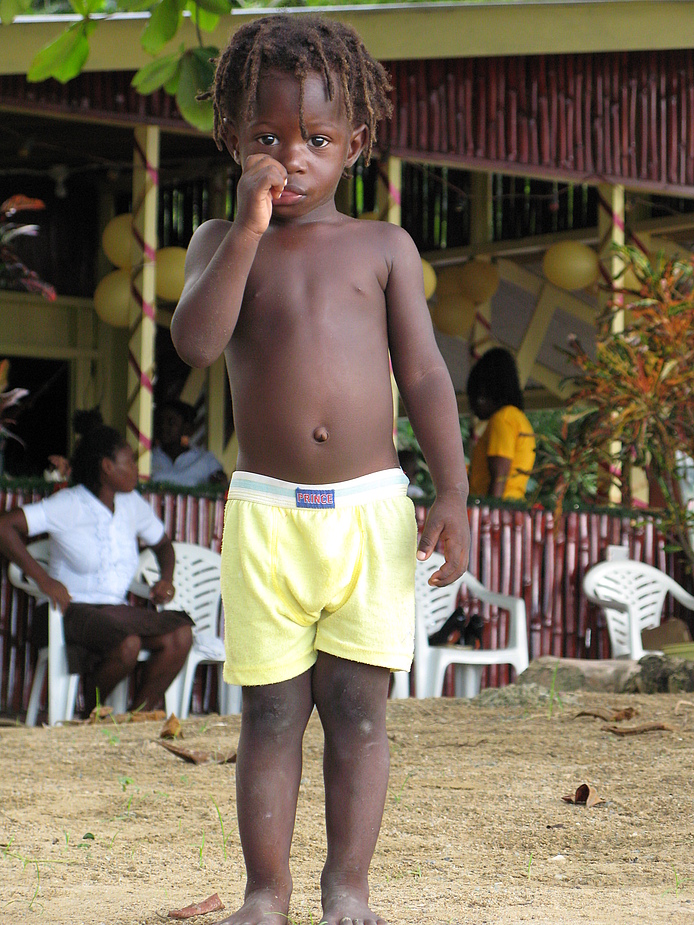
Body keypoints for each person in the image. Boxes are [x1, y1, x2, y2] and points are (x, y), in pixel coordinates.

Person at [170, 14, 470, 925]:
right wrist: (248, 228)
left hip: (371, 514)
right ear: (232, 139)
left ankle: (349, 888)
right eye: (267, 138)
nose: (291, 159)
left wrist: (452, 491)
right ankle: (266, 893)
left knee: (359, 710)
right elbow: (196, 342)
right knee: (268, 713)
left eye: (315, 141)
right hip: (265, 516)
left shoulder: (384, 248)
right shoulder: (222, 240)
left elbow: (422, 374)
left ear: (357, 144)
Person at [0, 410, 193, 716]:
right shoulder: (69, 503)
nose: (136, 469)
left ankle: (137, 716)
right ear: (106, 467)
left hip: (114, 612)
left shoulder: (132, 504)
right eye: (129, 461)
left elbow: (163, 545)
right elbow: (4, 526)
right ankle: (91, 711)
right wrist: (45, 580)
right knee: (126, 644)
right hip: (69, 611)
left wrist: (166, 578)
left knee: (181, 635)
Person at [466, 347, 536, 500]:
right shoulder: (516, 417)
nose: (473, 407)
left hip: (499, 514)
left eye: (474, 397)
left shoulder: (503, 419)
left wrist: (491, 518)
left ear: (483, 391)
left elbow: (499, 477)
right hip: (511, 510)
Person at [151, 399, 226, 487]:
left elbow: (221, 483)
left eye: (171, 422)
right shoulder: (149, 458)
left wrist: (218, 480)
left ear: (187, 429)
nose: (163, 426)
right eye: (160, 422)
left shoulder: (206, 460)